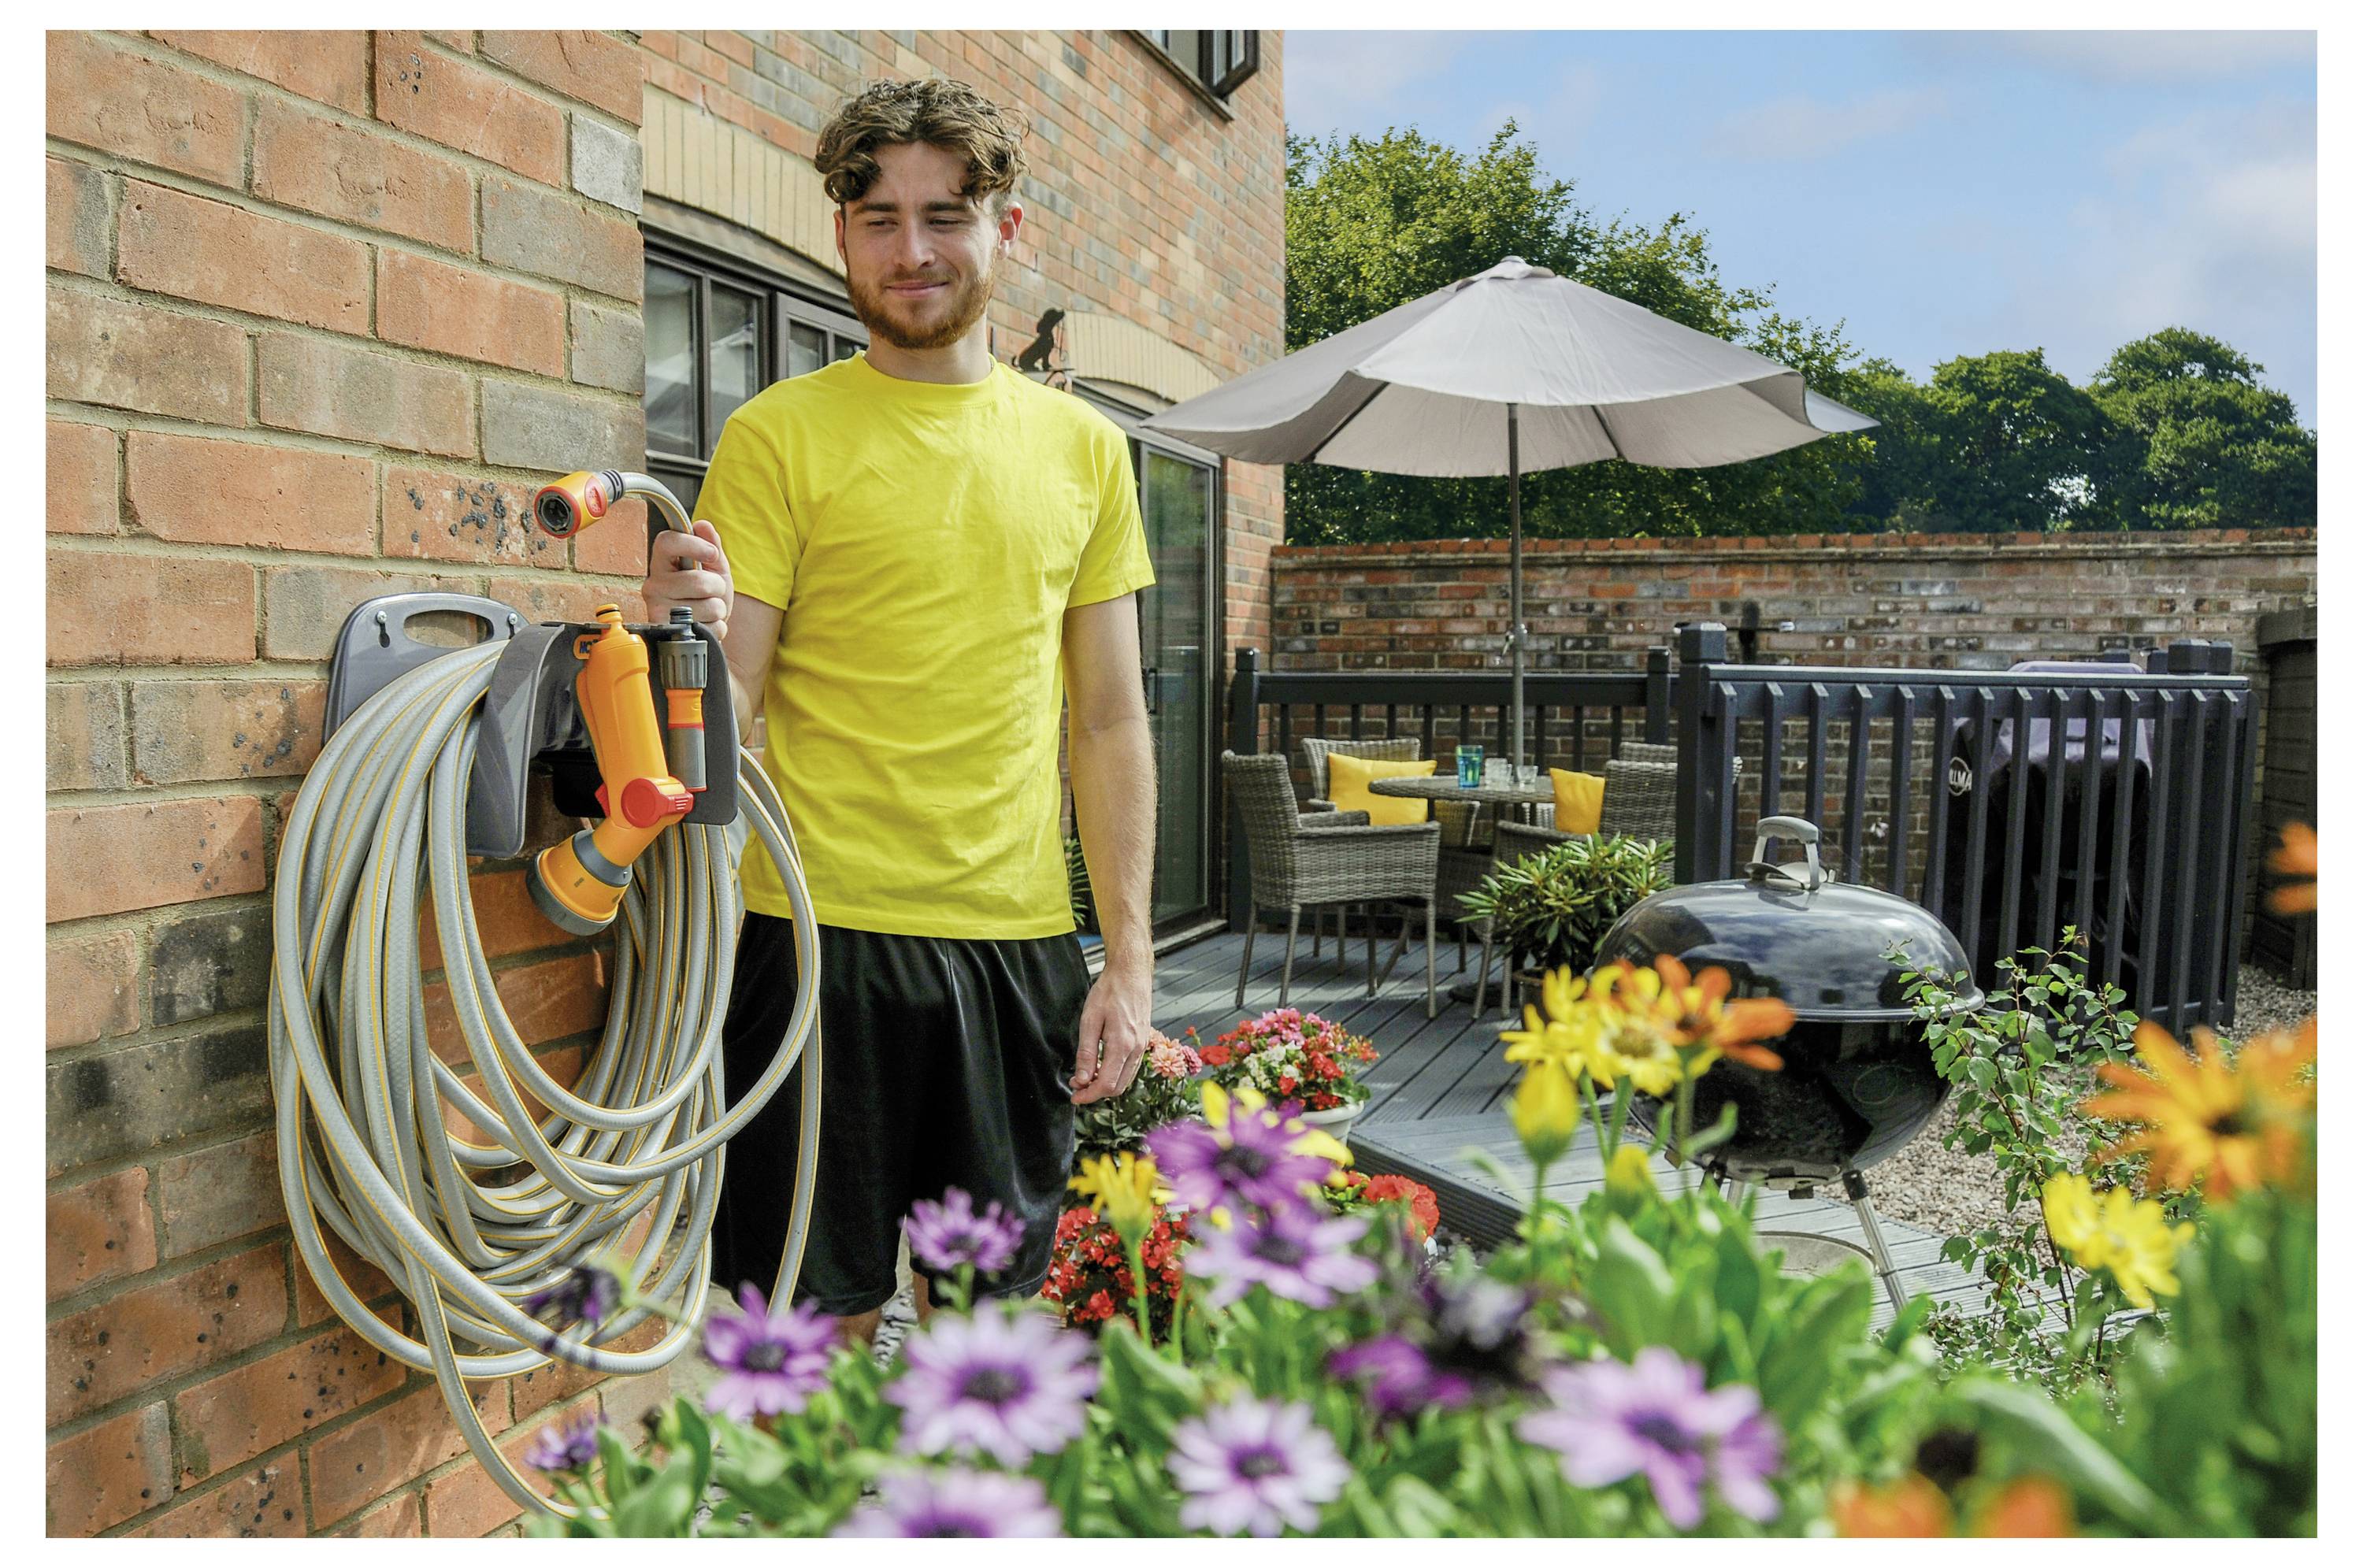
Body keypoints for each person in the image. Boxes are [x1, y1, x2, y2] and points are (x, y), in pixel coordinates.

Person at [640, 79, 1159, 1351]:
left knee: (985, 1316)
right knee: (807, 1320)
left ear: (1009, 229)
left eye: (944, 215)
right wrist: (679, 640)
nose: (912, 249)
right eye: (878, 218)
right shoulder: (776, 436)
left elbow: (1108, 725)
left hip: (1014, 937)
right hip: (811, 936)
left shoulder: (1086, 450)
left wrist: (1130, 963)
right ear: (842, 238)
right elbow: (730, 697)